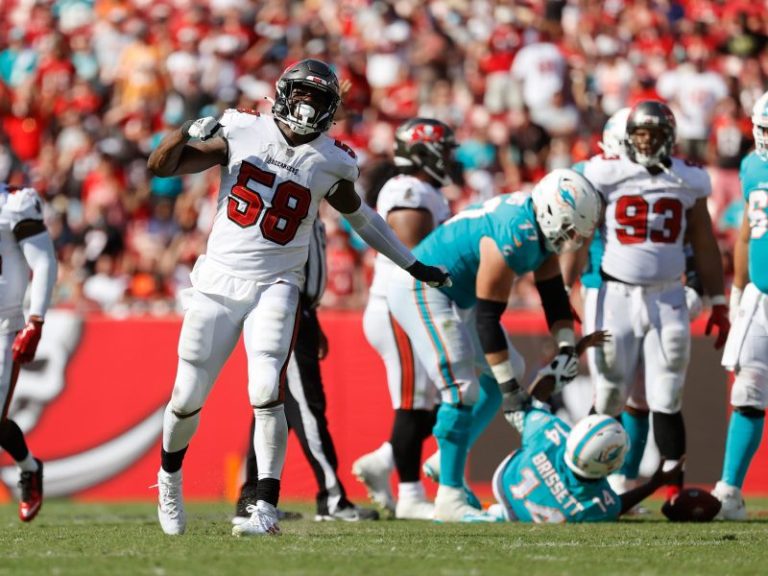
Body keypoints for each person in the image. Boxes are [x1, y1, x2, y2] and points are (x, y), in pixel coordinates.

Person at [147, 58, 450, 537]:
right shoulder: (242, 129)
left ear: (330, 108)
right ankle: (169, 479)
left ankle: (264, 507)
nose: (308, 106)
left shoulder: (332, 159)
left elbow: (364, 220)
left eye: (318, 98)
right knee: (186, 397)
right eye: (302, 94)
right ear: (285, 93)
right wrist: (184, 131)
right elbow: (161, 167)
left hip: (277, 284)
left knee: (266, 388)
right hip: (218, 281)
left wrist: (413, 264)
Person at [385, 168, 602, 522]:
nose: (572, 239)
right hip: (421, 288)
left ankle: (445, 460)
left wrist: (566, 346)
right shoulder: (514, 233)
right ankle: (449, 497)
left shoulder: (537, 229)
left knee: (511, 368)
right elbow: (488, 321)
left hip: (454, 294)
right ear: (551, 213)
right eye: (569, 228)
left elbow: (553, 296)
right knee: (462, 388)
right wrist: (512, 391)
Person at [566, 100, 730, 496]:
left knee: (667, 392)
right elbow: (582, 232)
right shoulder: (605, 172)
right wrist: (564, 287)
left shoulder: (688, 177)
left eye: (653, 135)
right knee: (609, 391)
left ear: (669, 138)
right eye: (639, 134)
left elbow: (704, 242)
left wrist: (718, 301)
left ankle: (674, 491)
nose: (645, 142)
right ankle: (582, 487)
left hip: (667, 295)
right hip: (615, 295)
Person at [232, 218, 379, 523]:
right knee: (307, 407)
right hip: (288, 309)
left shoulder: (310, 204)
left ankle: (252, 498)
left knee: (272, 405)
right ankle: (332, 498)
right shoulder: (295, 200)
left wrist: (312, 317)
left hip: (299, 309)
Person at [353, 118, 455, 520]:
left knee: (436, 401)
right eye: (442, 150)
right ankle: (410, 494)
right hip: (399, 304)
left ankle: (383, 460)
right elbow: (413, 249)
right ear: (423, 152)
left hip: (410, 304)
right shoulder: (408, 191)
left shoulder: (424, 190)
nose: (448, 158)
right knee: (414, 402)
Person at [490, 335, 686, 523]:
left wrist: (573, 352)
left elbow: (535, 398)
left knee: (525, 408)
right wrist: (654, 484)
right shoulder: (594, 505)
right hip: (533, 509)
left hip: (505, 482)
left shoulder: (549, 435)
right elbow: (617, 506)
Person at [711, 90, 768, 520]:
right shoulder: (751, 166)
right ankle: (729, 490)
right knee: (747, 389)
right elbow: (748, 232)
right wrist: (737, 289)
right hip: (761, 297)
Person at [0, 183, 58, 522]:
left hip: (3, 325)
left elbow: (43, 260)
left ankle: (29, 468)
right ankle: (29, 467)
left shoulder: (14, 203)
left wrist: (35, 320)